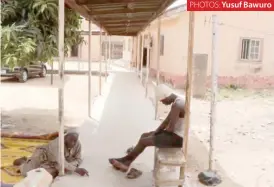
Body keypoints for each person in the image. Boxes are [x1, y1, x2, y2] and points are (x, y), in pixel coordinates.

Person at [109, 91, 185, 173]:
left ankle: (126, 162)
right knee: (144, 135)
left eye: (162, 101)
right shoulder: (179, 99)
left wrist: (158, 135)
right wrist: (156, 132)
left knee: (144, 141)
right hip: (174, 135)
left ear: (165, 97)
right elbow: (166, 121)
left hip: (177, 138)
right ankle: (126, 160)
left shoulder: (178, 104)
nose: (163, 103)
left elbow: (170, 128)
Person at [13, 128, 89, 178]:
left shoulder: (77, 144)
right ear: (65, 137)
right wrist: (76, 169)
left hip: (55, 162)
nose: (73, 143)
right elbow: (61, 162)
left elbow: (78, 159)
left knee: (43, 175)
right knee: (27, 174)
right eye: (71, 140)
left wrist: (71, 165)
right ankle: (24, 161)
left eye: (75, 140)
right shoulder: (57, 144)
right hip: (42, 156)